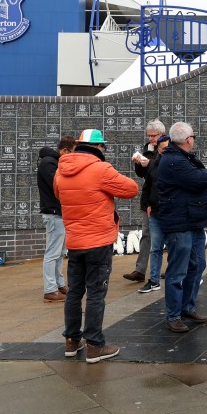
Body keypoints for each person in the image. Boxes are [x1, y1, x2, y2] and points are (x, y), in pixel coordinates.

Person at [54, 128, 139, 363]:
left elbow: (59, 195)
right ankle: (94, 345)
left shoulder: (60, 170)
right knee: (95, 293)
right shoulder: (101, 169)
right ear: (99, 148)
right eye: (103, 146)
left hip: (75, 241)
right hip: (98, 242)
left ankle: (71, 341)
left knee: (74, 292)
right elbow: (131, 189)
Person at [156, 121, 207, 333]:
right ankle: (174, 315)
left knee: (197, 266)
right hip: (180, 224)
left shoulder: (182, 158)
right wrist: (204, 173)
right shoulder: (174, 161)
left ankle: (187, 307)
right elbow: (202, 179)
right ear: (188, 140)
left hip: (193, 221)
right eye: (193, 137)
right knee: (178, 271)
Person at [123, 119, 166, 284]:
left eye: (154, 136)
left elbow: (165, 169)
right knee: (146, 234)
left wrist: (151, 164)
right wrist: (139, 164)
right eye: (149, 136)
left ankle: (171, 268)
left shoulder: (170, 149)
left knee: (169, 235)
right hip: (148, 198)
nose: (151, 139)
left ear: (162, 134)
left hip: (165, 198)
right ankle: (140, 270)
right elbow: (143, 175)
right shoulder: (147, 148)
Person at [38, 135, 75, 302]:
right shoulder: (49, 164)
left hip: (59, 213)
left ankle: (59, 284)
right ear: (64, 150)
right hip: (54, 213)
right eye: (72, 153)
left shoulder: (54, 162)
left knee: (60, 252)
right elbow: (60, 184)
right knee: (52, 252)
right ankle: (50, 289)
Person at [139, 134, 169, 293]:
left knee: (175, 247)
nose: (165, 152)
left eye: (168, 149)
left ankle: (175, 277)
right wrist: (147, 205)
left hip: (172, 214)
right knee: (155, 248)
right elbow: (147, 187)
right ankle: (154, 280)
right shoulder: (153, 165)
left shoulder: (178, 164)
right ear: (158, 150)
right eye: (163, 149)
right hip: (156, 213)